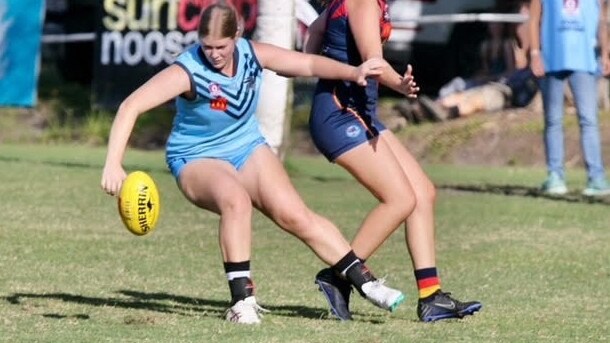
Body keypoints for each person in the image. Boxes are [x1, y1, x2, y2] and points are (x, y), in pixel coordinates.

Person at [100, 3, 406, 325]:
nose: (214, 54)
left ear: (237, 35)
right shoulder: (187, 69)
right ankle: (242, 302)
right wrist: (112, 165)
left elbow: (307, 63)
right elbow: (130, 106)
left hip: (247, 147)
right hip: (196, 156)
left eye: (221, 46)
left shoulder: (252, 53)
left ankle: (365, 282)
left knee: (296, 215)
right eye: (207, 46)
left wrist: (353, 72)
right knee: (236, 200)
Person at [305, 0, 482, 322]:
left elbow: (315, 34)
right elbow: (374, 61)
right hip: (340, 113)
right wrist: (399, 83)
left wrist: (319, 67)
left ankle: (431, 296)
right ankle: (339, 275)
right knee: (400, 199)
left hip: (359, 112)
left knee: (422, 193)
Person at [529, 0, 610, 196]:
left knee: (589, 119)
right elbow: (534, 19)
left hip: (584, 60)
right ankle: (556, 176)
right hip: (552, 59)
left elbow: (601, 18)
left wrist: (606, 52)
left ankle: (596, 177)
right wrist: (535, 53)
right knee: (553, 120)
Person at [415, 1, 537, 121]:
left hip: (505, 90)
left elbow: (514, 73)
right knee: (459, 89)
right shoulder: (496, 46)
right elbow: (489, 71)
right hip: (499, 85)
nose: (519, 28)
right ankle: (429, 109)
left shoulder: (517, 50)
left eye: (522, 23)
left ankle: (446, 113)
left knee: (476, 99)